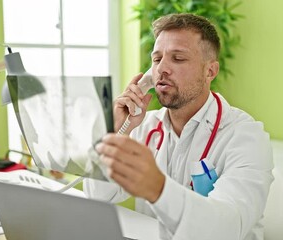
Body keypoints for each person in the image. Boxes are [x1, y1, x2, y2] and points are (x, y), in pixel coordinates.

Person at [84, 13, 273, 240]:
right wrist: (112, 131)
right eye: (156, 59)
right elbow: (97, 196)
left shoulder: (246, 137)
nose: (161, 69)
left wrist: (159, 188)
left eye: (178, 58)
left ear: (210, 71)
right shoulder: (143, 127)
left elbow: (228, 229)